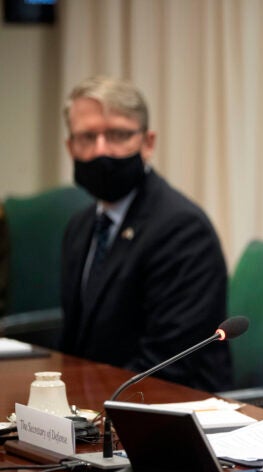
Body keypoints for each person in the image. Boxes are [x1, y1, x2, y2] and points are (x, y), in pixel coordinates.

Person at [59, 76, 232, 392]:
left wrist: (89, 408)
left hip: (172, 411)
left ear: (147, 143)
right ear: (71, 147)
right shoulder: (80, 227)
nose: (101, 151)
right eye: (87, 137)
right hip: (94, 408)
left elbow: (168, 365)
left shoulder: (181, 230)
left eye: (118, 135)